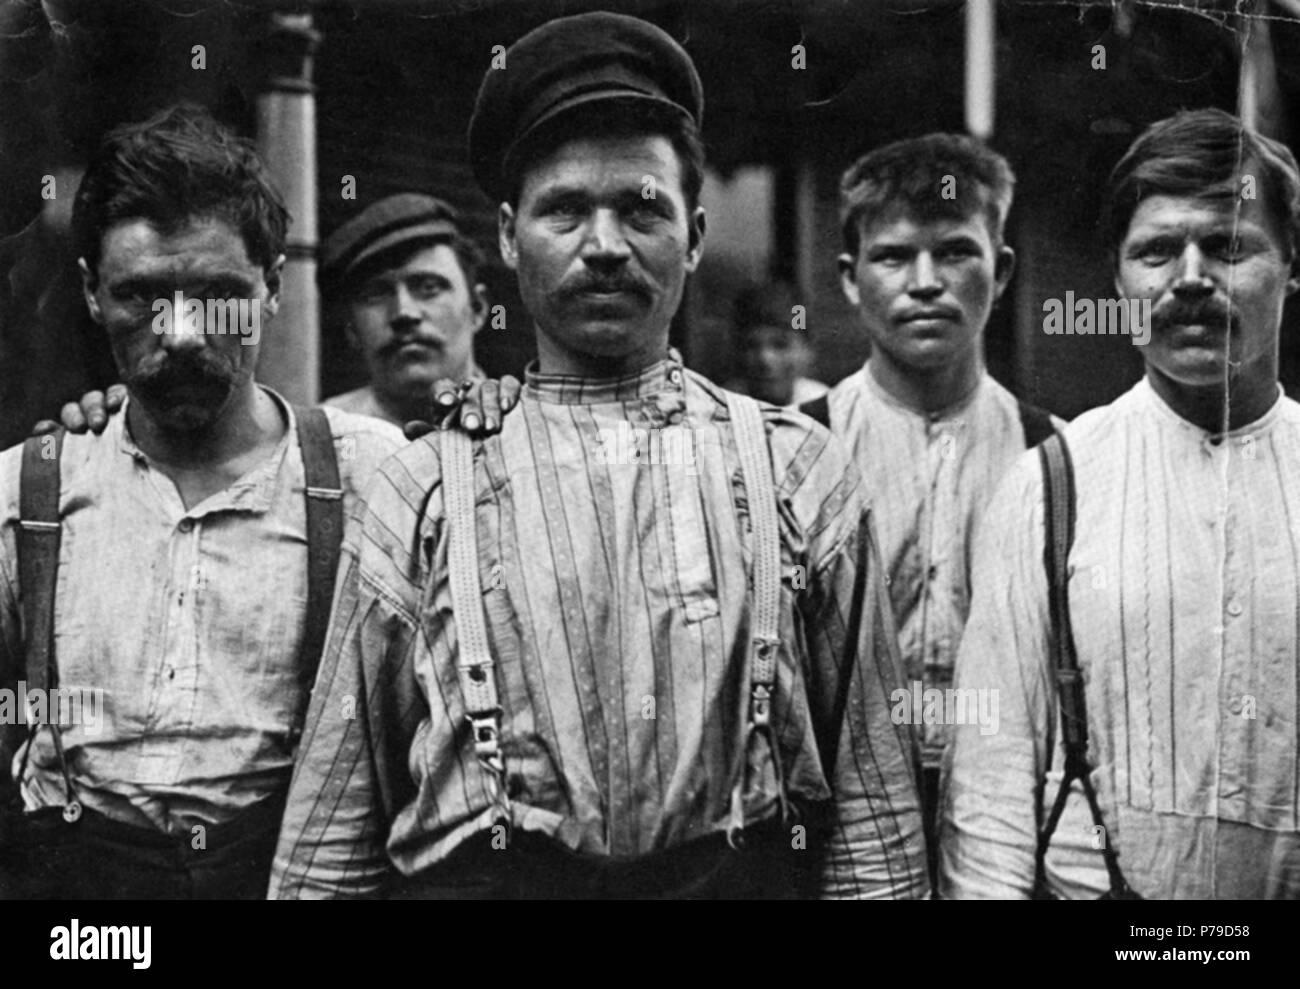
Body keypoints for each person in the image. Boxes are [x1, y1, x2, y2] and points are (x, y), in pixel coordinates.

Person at [269, 10, 927, 900]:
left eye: (642, 208)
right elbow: (330, 840)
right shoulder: (420, 487)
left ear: (694, 236)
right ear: (508, 236)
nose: (606, 244)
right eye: (567, 210)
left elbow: (876, 821)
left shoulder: (796, 470)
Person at [0, 104, 404, 899]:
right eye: (144, 296)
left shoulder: (372, 477)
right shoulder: (25, 490)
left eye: (219, 296)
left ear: (273, 288)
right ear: (91, 293)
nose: (182, 333)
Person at [942, 108, 1300, 899]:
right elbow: (991, 784)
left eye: (1232, 246)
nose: (1192, 278)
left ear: (1291, 265)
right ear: (1119, 281)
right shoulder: (1051, 484)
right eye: (1157, 251)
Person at [801, 133, 1057, 879]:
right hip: (843, 820)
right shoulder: (799, 451)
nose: (924, 282)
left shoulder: (1056, 456)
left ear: (1001, 269)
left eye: (954, 252)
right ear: (850, 279)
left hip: (1016, 814)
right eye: (892, 256)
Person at [320, 193, 490, 427]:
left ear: (477, 308)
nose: (403, 313)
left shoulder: (526, 429)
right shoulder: (322, 437)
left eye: (429, 287)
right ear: (352, 330)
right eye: (376, 294)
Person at [723, 281, 827, 406]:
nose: (765, 359)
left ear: (807, 350)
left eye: (780, 345)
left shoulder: (825, 406)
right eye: (751, 345)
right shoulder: (722, 405)